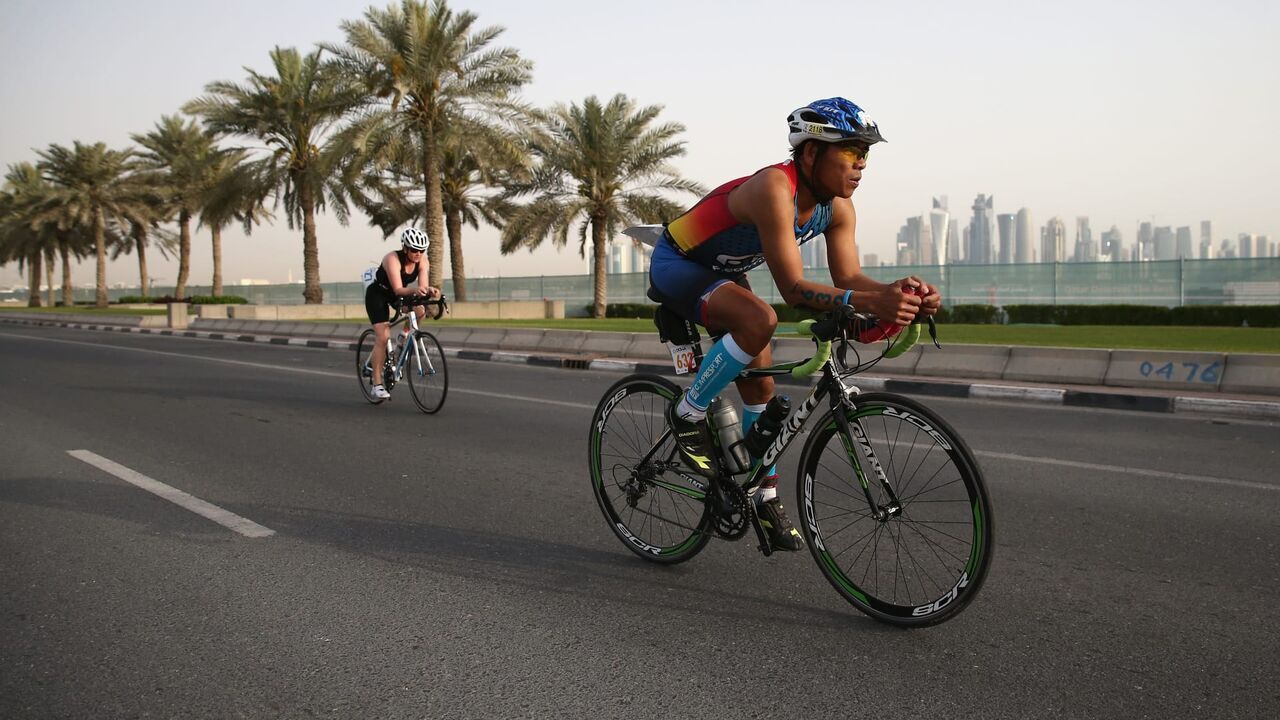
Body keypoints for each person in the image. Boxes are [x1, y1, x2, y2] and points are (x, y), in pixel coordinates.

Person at [648, 97, 942, 551]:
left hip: (724, 274)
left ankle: (762, 495)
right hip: (678, 263)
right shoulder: (774, 187)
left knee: (762, 385)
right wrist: (874, 302)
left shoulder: (837, 208)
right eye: (851, 150)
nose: (862, 163)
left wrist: (897, 293)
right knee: (760, 319)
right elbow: (793, 289)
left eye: (866, 153)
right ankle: (688, 412)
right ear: (811, 152)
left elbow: (848, 278)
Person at [365, 226, 441, 399]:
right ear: (405, 248)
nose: (418, 253)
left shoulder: (423, 261)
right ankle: (377, 384)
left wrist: (429, 290)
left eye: (422, 250)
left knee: (420, 310)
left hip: (398, 294)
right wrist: (416, 291)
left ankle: (404, 336)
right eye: (414, 250)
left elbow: (422, 287)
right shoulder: (392, 259)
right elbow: (398, 289)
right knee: (383, 337)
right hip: (378, 295)